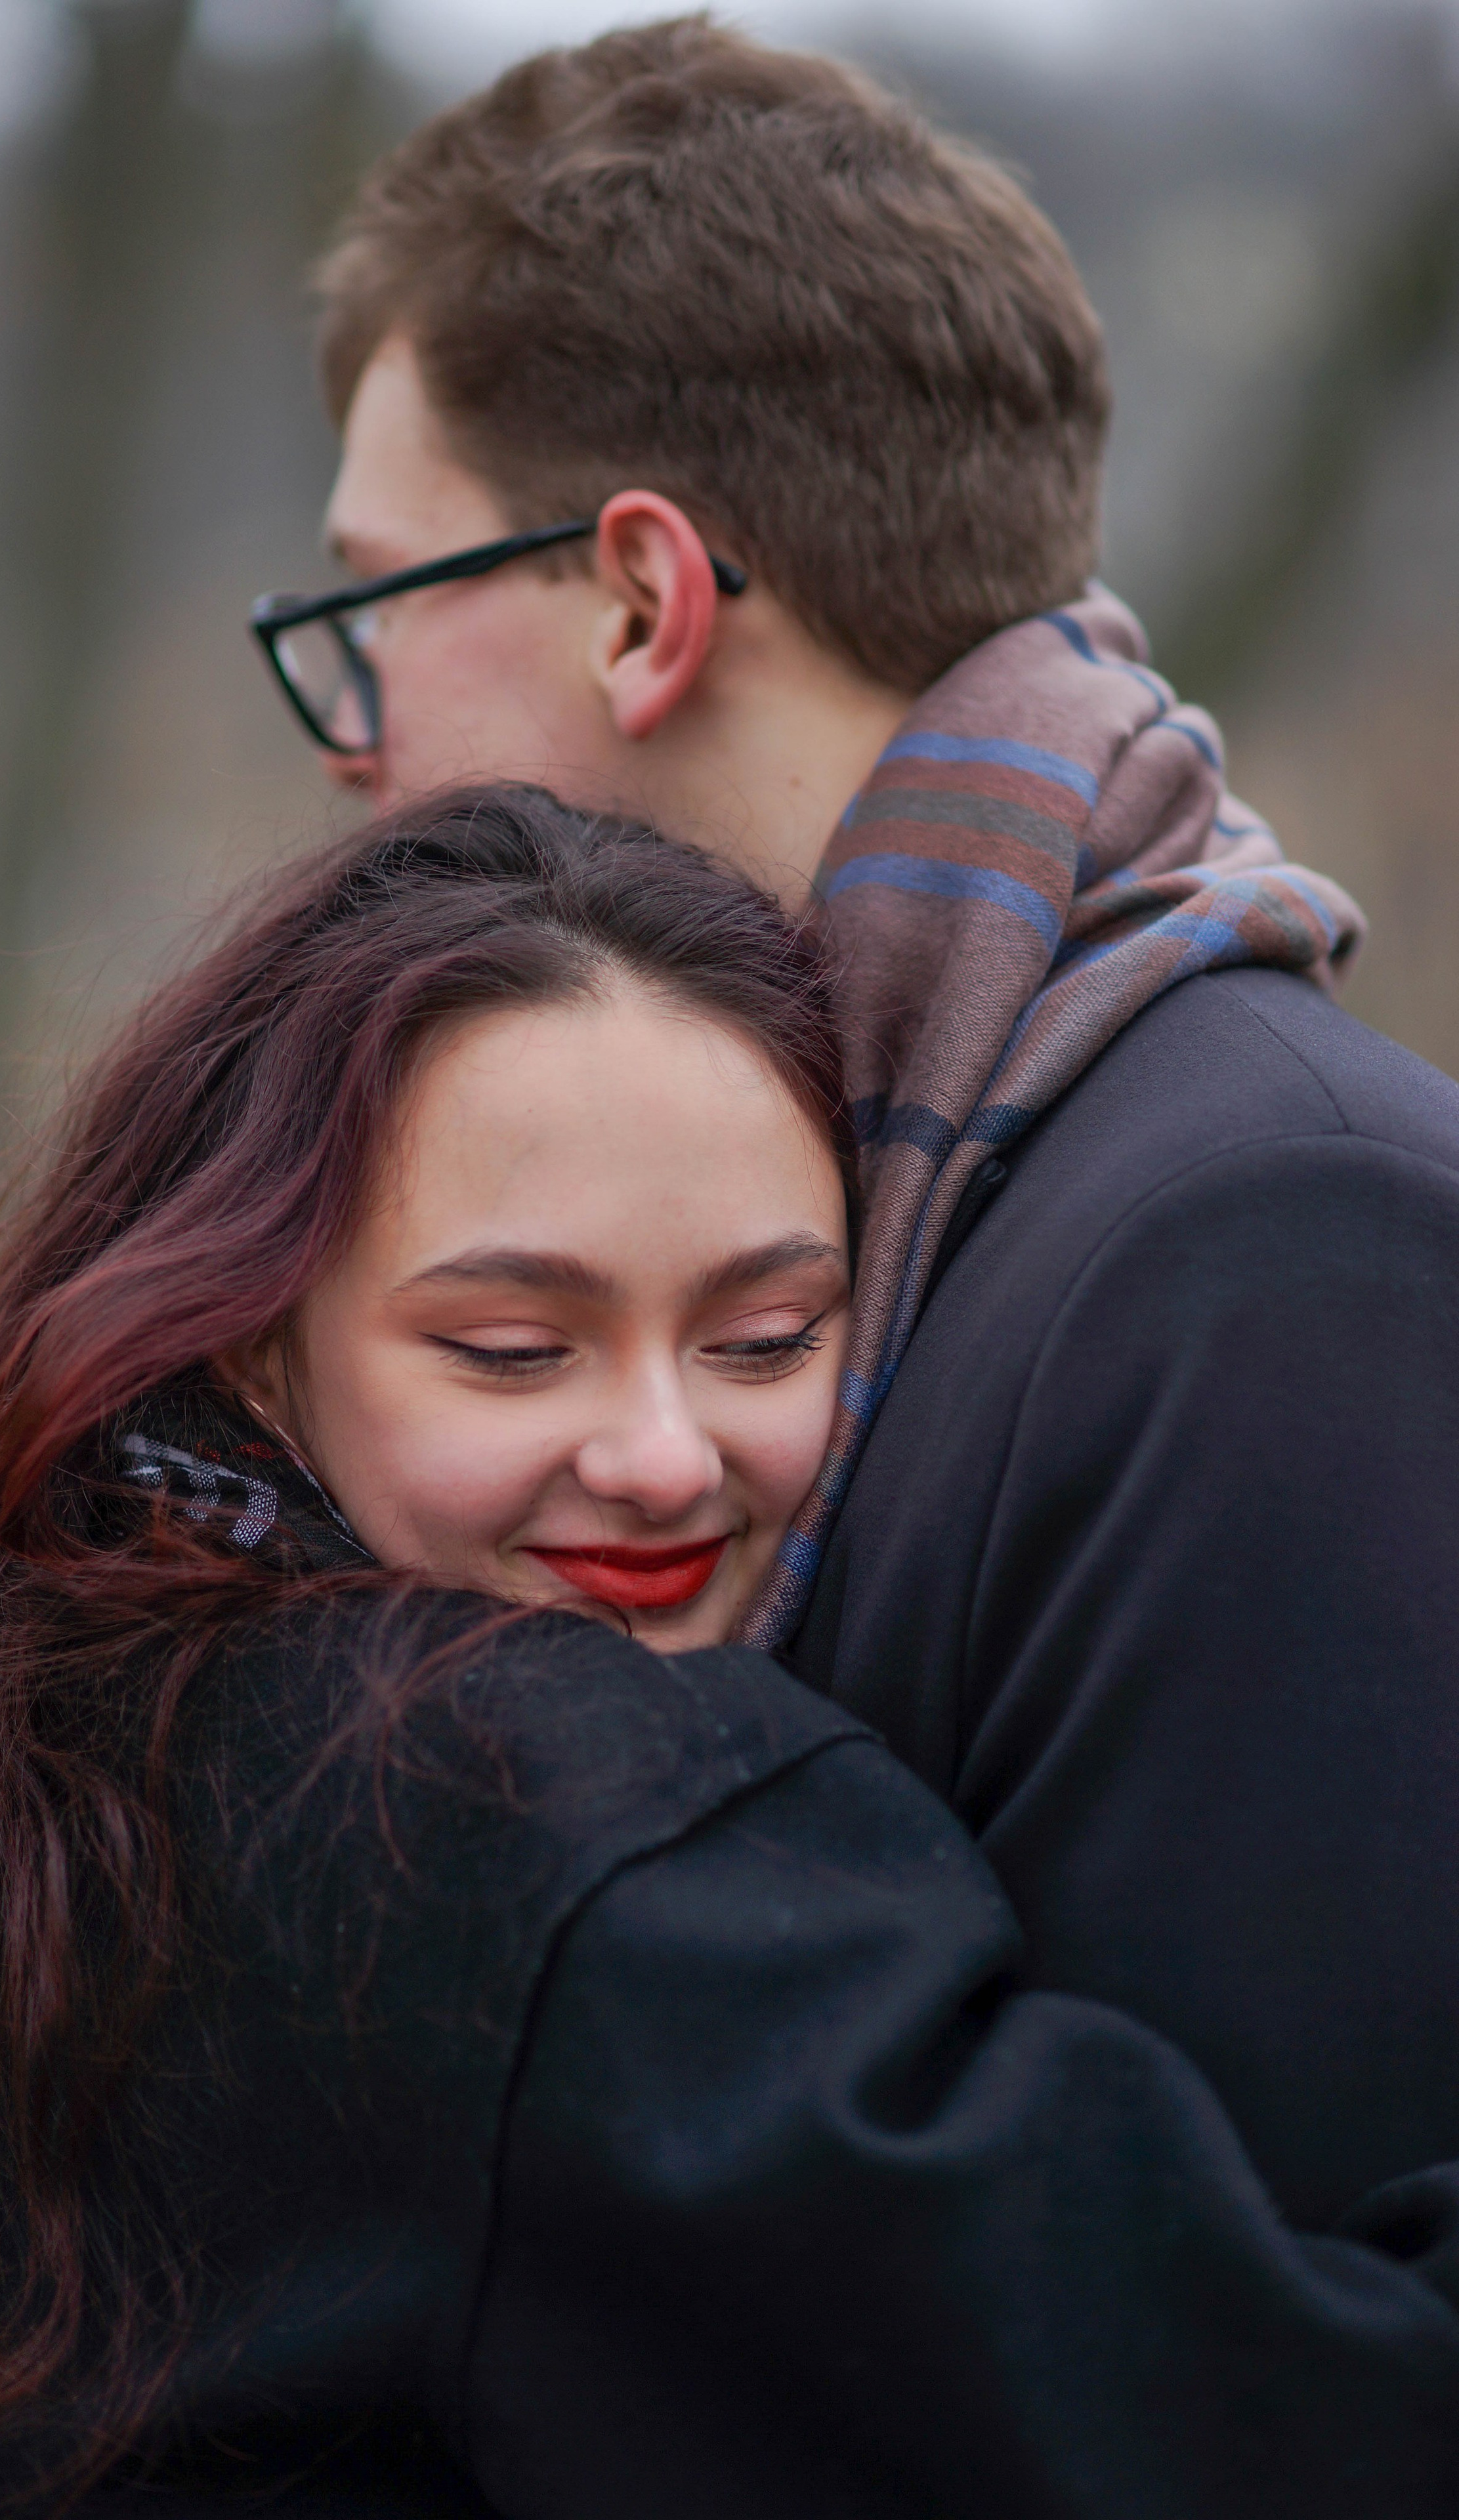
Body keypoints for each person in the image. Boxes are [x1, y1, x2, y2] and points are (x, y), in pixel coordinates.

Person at [0, 788, 1459, 2520]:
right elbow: (1295, 2433)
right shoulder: (517, 1819)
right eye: (513, 1349)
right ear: (256, 1346)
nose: (662, 1457)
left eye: (764, 1336)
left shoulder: (80, 1715)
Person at [246, 19, 1459, 2236]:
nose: (354, 741)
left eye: (373, 612)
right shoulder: (925, 1178)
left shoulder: (1277, 1241)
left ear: (640, 602)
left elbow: (1250, 2338)